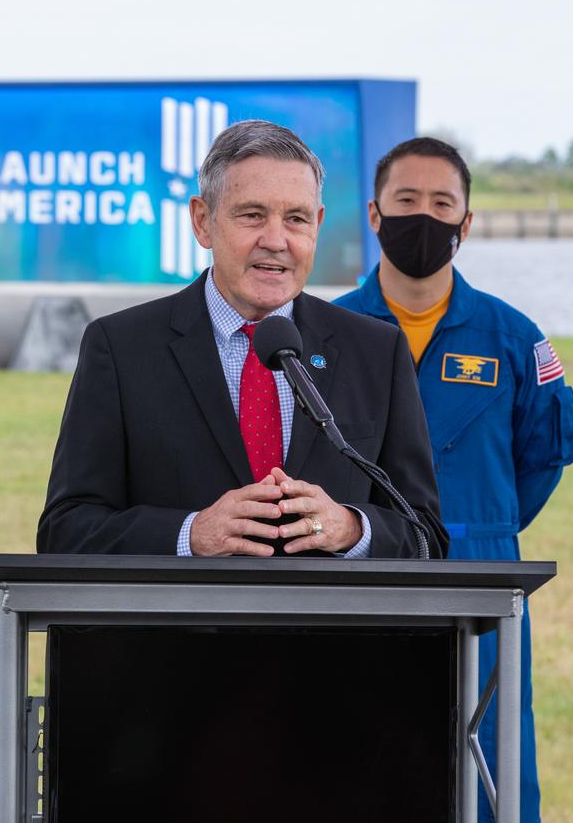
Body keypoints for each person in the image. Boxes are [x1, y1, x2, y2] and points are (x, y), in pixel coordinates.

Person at [37, 120, 446, 562]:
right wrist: (190, 534)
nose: (276, 241)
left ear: (318, 225)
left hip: (328, 629)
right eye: (252, 215)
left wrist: (351, 528)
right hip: (175, 628)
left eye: (296, 219)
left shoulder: (376, 351)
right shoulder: (119, 347)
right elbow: (66, 529)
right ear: (202, 221)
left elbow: (426, 536)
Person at [334, 136, 573, 823]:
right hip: (359, 574)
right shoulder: (326, 329)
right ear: (376, 215)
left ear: (466, 223)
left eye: (442, 204)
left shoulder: (512, 337)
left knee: (493, 762)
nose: (425, 217)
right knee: (353, 753)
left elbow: (542, 457)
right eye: (406, 201)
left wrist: (482, 523)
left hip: (482, 573)